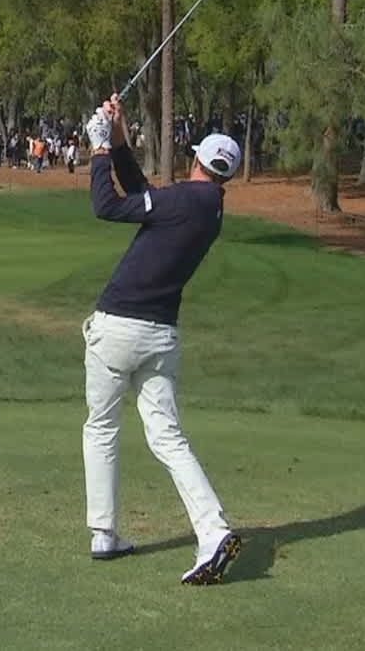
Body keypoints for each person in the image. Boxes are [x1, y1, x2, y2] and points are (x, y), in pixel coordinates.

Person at [80, 93, 244, 586]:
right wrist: (119, 135)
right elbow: (143, 194)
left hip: (117, 326)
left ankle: (104, 532)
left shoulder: (183, 200)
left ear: (196, 160)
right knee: (167, 437)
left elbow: (107, 206)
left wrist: (98, 150)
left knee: (101, 428)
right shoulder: (209, 206)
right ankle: (212, 529)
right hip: (160, 335)